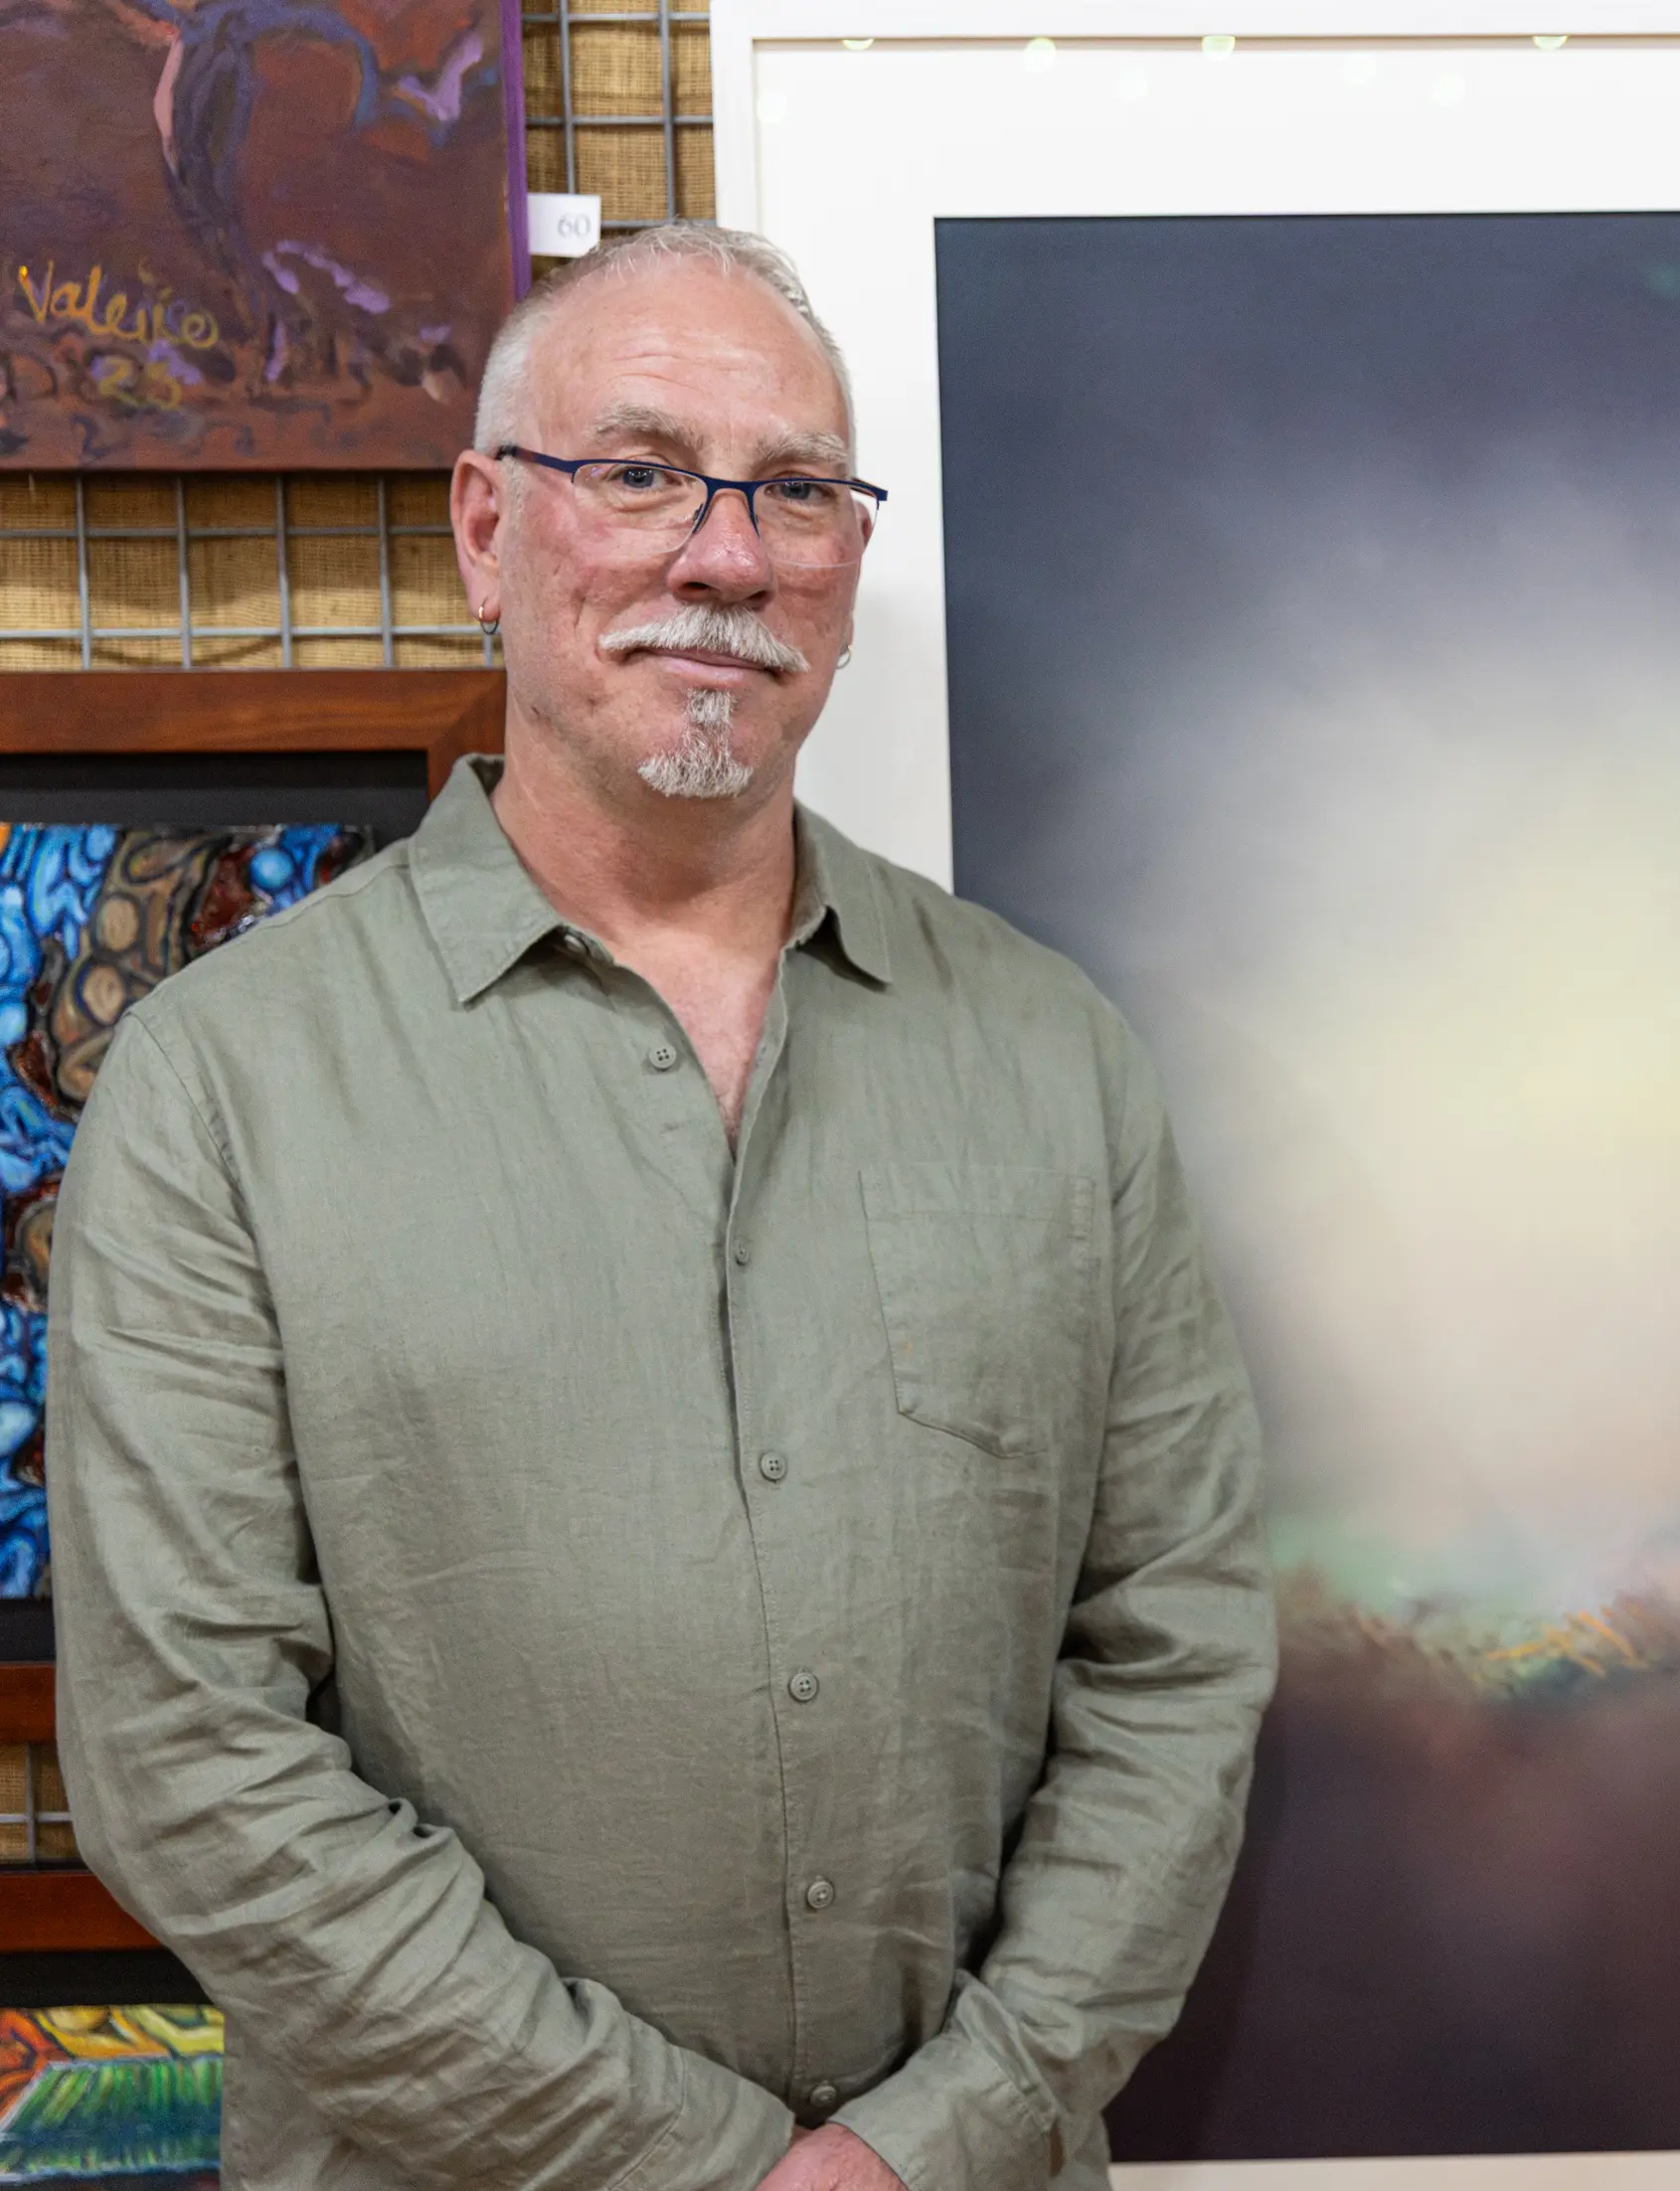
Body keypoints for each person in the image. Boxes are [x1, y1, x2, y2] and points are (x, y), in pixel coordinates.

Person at [47, 224, 1273, 2190]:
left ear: (846, 566)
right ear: (483, 529)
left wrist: (941, 2137)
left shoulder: (1054, 1060)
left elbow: (1179, 1652)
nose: (725, 552)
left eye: (795, 489)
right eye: (638, 472)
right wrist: (703, 2164)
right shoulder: (225, 1088)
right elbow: (187, 1755)